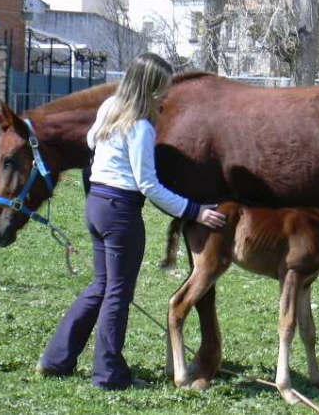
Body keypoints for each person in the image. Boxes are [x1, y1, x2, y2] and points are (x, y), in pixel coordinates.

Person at [36, 53, 226, 390]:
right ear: (148, 88)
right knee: (118, 293)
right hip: (122, 211)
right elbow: (148, 185)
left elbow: (92, 140)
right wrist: (195, 211)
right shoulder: (139, 126)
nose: (165, 97)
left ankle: (56, 359)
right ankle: (109, 375)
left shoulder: (110, 107)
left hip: (96, 203)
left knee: (101, 286)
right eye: (161, 90)